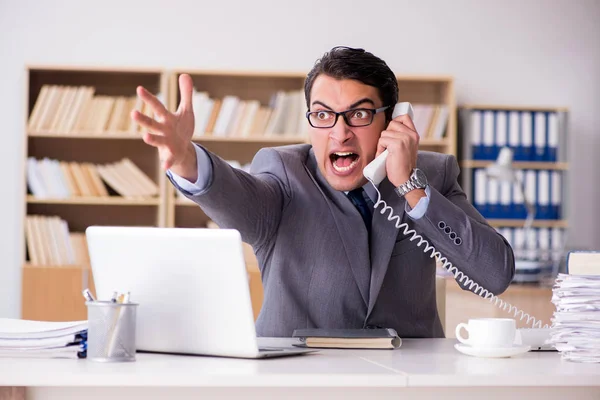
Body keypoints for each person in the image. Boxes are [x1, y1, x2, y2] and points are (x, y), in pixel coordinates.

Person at [131, 46, 515, 338]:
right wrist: (186, 160)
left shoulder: (431, 173)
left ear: (394, 119)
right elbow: (234, 195)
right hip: (300, 382)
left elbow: (494, 275)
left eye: (359, 114)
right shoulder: (283, 174)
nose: (339, 132)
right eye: (323, 114)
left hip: (404, 383)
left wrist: (410, 187)